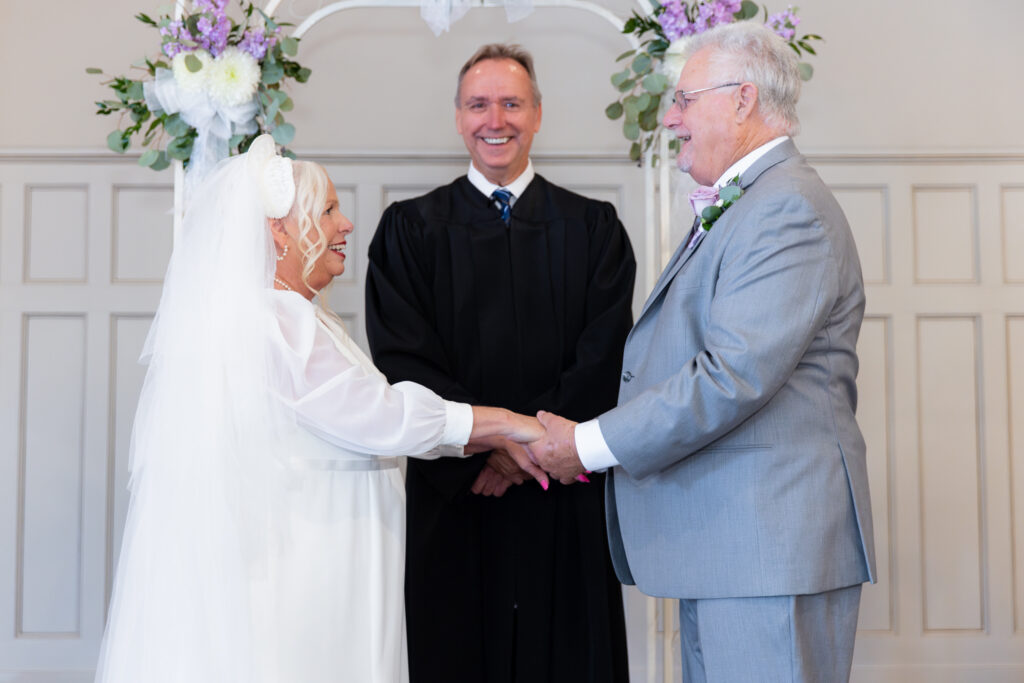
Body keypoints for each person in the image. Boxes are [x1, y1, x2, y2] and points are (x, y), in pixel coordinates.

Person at [94, 135, 546, 683]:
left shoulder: (301, 317)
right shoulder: (274, 324)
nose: (346, 224)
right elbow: (382, 418)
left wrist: (483, 436)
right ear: (278, 230)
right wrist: (508, 422)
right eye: (328, 210)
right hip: (311, 560)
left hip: (333, 553)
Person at [527, 22, 876, 683]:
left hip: (767, 553)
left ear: (742, 100)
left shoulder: (787, 209)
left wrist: (589, 443)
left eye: (685, 99)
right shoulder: (751, 202)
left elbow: (730, 376)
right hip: (732, 550)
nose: (670, 116)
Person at [366, 44, 633, 683]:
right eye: (479, 104)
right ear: (458, 116)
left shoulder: (593, 228)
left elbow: (607, 352)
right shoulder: (410, 230)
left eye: (512, 103)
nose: (497, 119)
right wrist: (484, 448)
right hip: (456, 492)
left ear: (538, 114)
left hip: (562, 491)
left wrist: (532, 452)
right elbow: (404, 356)